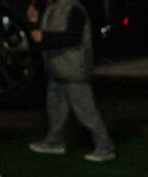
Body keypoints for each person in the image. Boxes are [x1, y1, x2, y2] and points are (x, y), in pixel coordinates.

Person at [26, 0, 115, 162]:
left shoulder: (73, 10)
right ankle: (55, 141)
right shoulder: (52, 9)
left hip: (73, 71)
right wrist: (34, 23)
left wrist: (44, 36)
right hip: (57, 69)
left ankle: (104, 145)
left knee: (86, 111)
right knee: (56, 109)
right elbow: (41, 39)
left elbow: (72, 37)